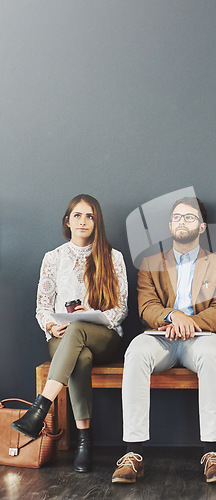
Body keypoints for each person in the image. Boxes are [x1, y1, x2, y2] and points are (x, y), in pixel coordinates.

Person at [112, 197, 216, 484]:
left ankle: (213, 453)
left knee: (211, 356)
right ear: (169, 225)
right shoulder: (151, 263)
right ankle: (133, 454)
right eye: (177, 217)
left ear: (201, 226)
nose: (182, 222)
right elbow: (145, 307)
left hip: (202, 336)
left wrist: (189, 323)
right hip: (160, 336)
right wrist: (173, 316)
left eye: (189, 218)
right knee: (136, 352)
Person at [12, 194, 128, 472]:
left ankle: (40, 408)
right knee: (81, 358)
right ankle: (84, 442)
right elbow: (42, 306)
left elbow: (121, 308)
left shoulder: (113, 257)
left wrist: (90, 315)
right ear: (67, 221)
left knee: (80, 330)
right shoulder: (53, 258)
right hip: (61, 337)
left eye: (89, 216)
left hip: (104, 336)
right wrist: (51, 325)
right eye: (77, 215)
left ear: (96, 222)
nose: (83, 221)